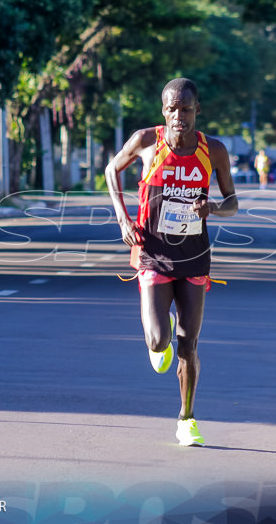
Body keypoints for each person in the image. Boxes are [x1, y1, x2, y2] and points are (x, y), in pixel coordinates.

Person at [106, 78, 238, 447]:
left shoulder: (213, 150)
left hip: (195, 256)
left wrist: (211, 207)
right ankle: (157, 344)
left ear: (197, 110)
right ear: (163, 110)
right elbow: (111, 169)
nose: (178, 115)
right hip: (153, 253)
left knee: (189, 343)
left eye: (186, 109)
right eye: (172, 109)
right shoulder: (147, 141)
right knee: (158, 338)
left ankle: (187, 419)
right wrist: (122, 218)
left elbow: (233, 201)